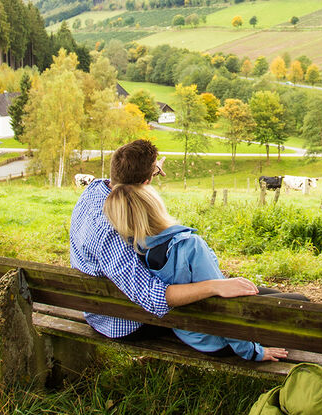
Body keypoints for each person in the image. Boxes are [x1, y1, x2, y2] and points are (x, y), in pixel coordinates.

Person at [70, 139, 289, 361]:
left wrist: (151, 169)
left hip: (100, 304)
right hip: (124, 320)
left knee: (271, 296)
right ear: (146, 183)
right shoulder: (110, 231)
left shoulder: (95, 191)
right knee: (279, 307)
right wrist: (215, 285)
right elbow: (151, 297)